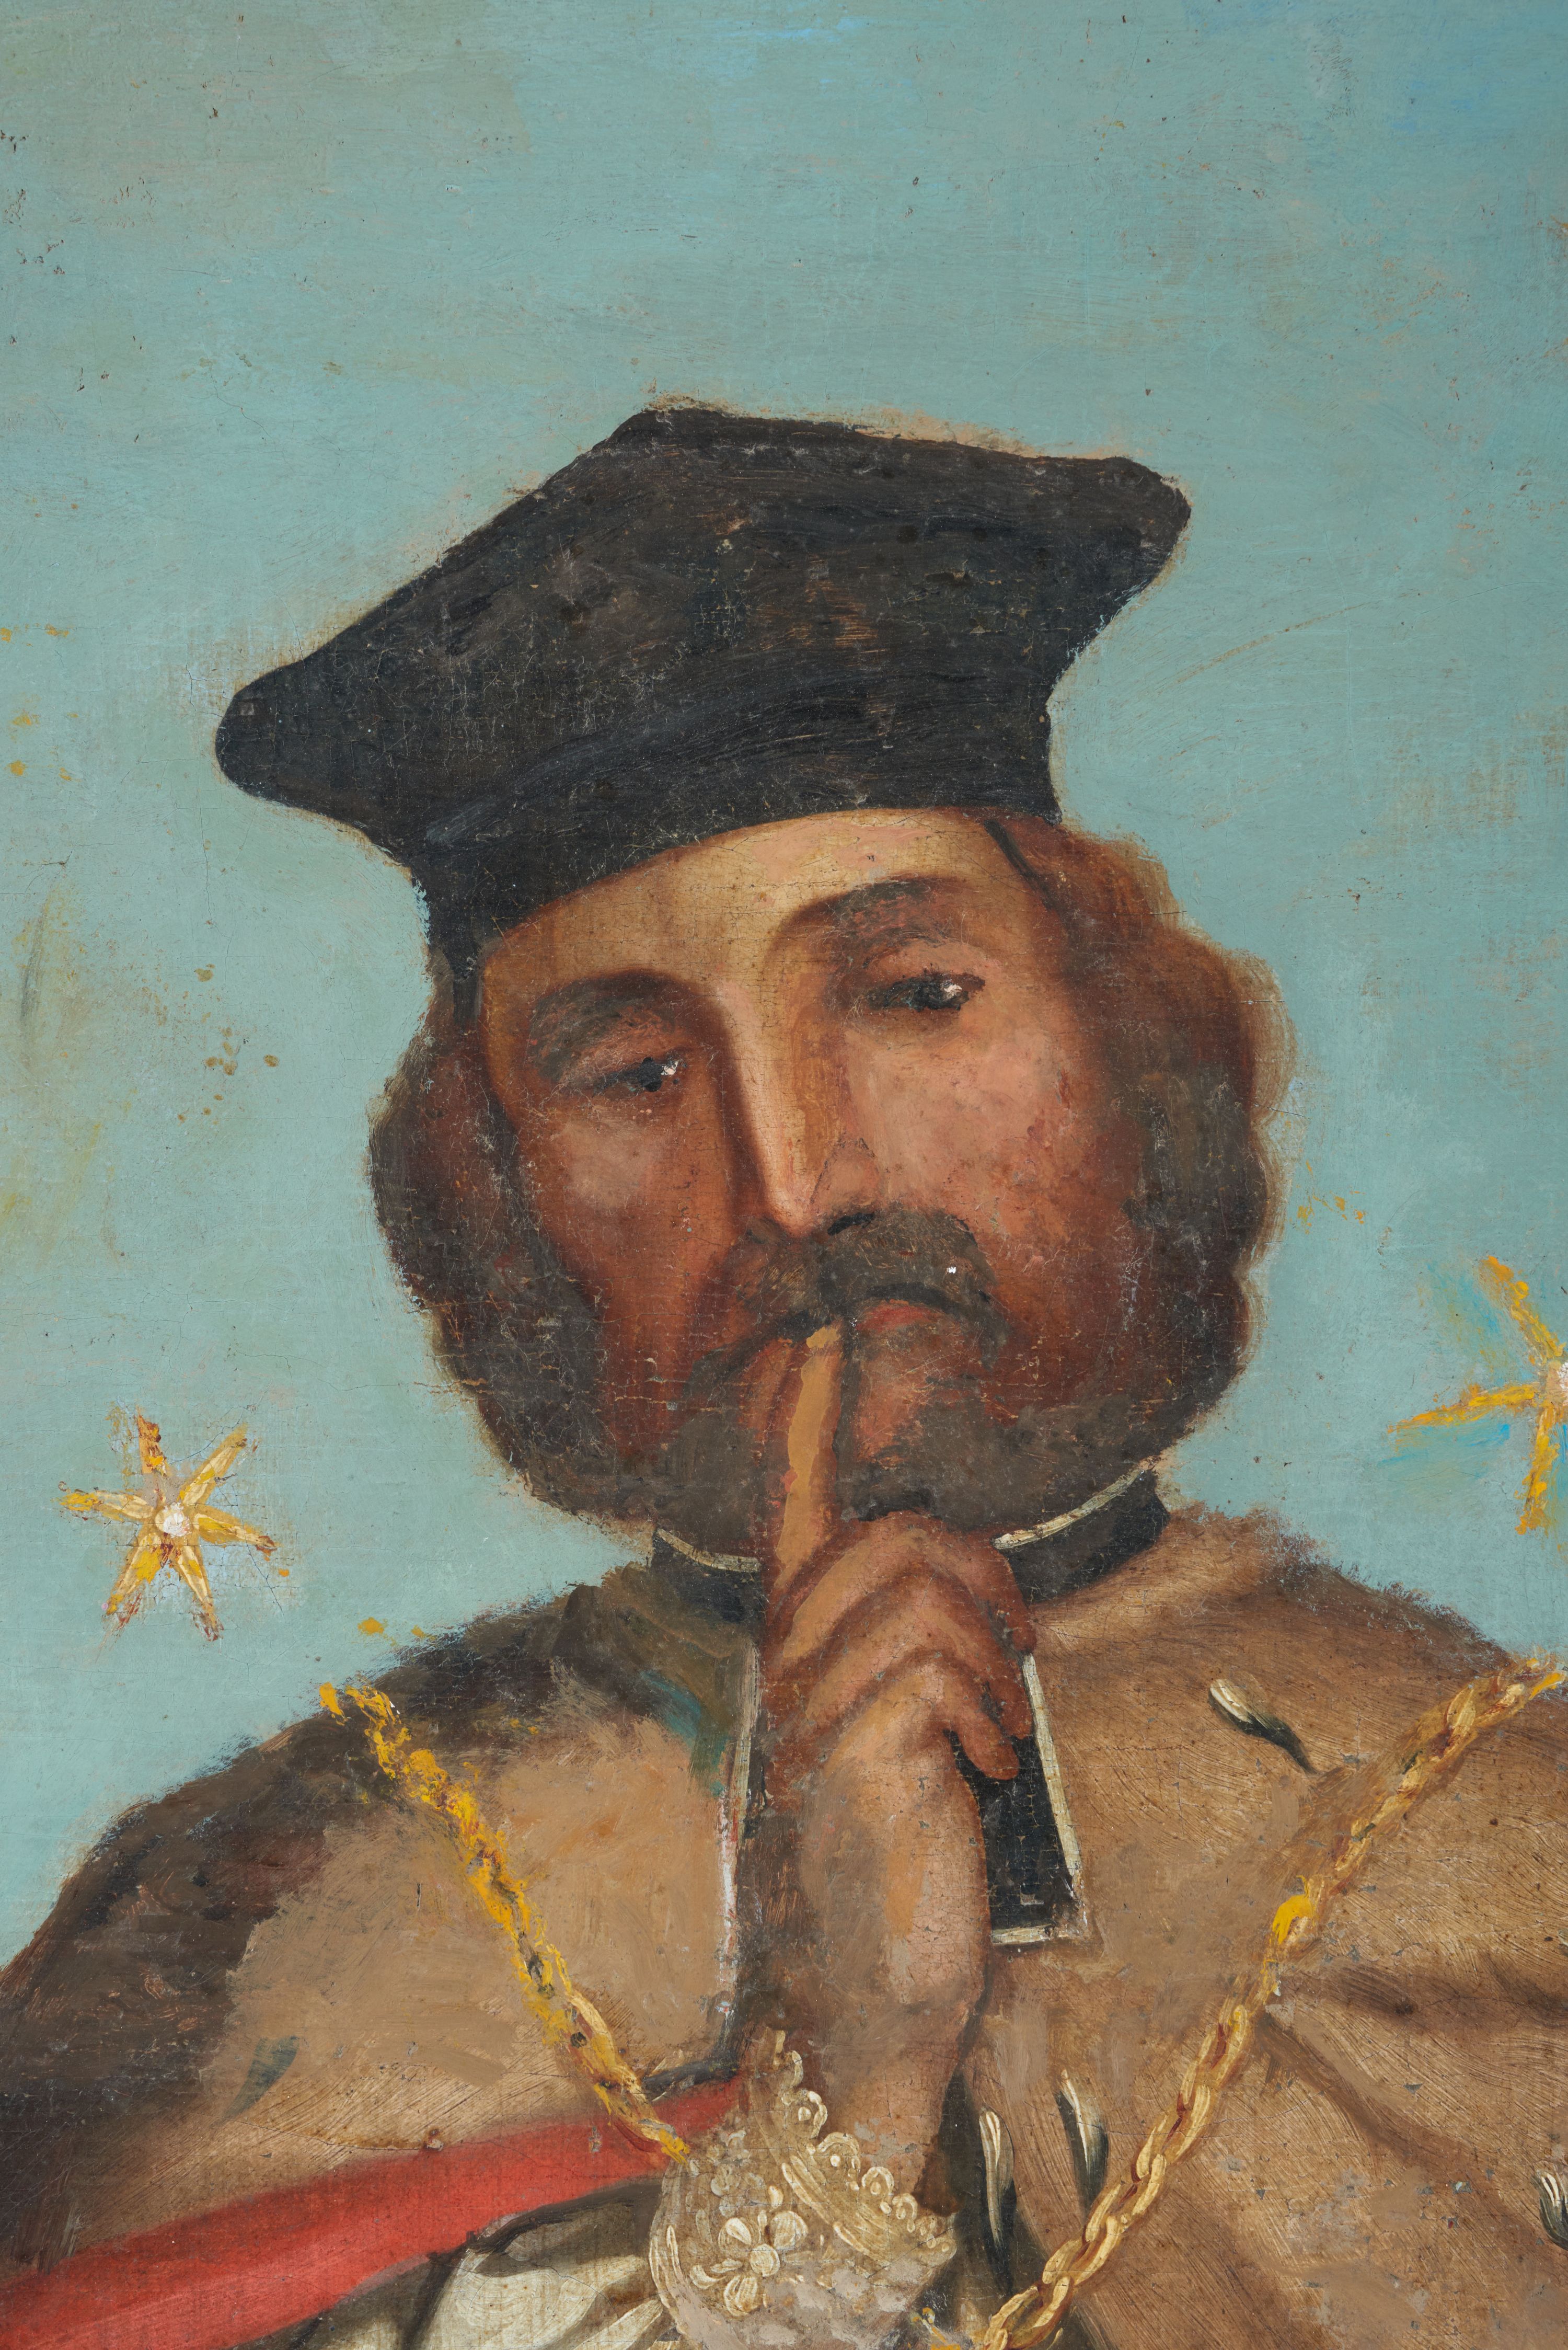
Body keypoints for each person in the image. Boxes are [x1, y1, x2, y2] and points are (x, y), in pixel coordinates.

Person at [1, 407, 1564, 2350]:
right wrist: (845, 2100)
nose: (801, 1184)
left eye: (915, 998)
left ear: (1120, 1039)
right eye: (635, 1074)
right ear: (497, 1192)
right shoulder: (245, 1932)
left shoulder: (1509, 1824)